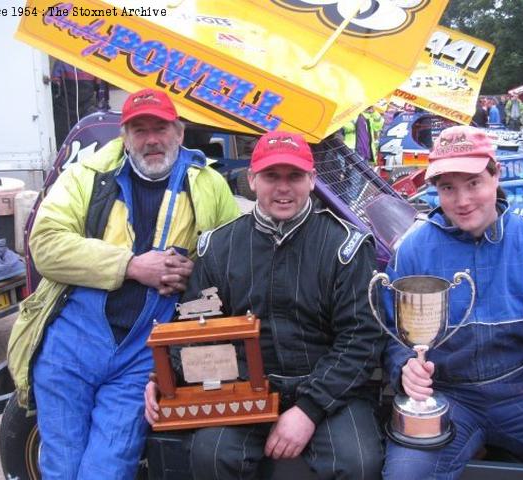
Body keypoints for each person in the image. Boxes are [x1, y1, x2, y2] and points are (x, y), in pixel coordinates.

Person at [7, 88, 240, 479]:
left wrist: (193, 274)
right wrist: (132, 265)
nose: (152, 139)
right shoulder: (87, 176)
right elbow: (44, 245)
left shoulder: (209, 185)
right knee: (60, 467)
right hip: (71, 344)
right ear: (125, 137)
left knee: (109, 469)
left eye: (160, 128)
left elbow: (234, 261)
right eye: (140, 130)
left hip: (142, 355)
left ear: (179, 133)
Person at [145, 130, 385, 479]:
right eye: (272, 176)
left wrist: (308, 409)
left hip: (330, 389)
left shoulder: (346, 247)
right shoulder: (217, 247)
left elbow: (361, 340)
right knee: (210, 456)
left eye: (295, 176)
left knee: (358, 463)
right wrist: (168, 378)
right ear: (252, 180)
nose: (283, 188)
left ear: (312, 180)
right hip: (242, 386)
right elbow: (192, 333)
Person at [382, 125, 523, 479]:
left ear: (495, 175)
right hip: (448, 397)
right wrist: (404, 369)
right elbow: (395, 335)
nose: (462, 201)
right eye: (448, 188)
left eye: (473, 183)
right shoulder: (413, 249)